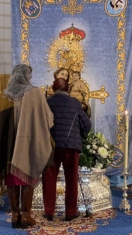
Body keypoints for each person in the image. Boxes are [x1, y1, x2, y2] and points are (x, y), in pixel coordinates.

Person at [0, 64, 54, 229]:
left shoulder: (3, 96)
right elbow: (48, 119)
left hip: (7, 147)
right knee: (27, 175)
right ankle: (25, 214)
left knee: (11, 178)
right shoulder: (35, 93)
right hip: (28, 145)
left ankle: (15, 214)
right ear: (26, 76)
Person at [42, 77, 91, 222]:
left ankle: (49, 212)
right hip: (72, 146)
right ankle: (71, 212)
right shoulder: (75, 103)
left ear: (53, 88)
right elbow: (86, 124)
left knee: (49, 179)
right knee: (71, 179)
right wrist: (79, 135)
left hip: (52, 146)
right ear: (67, 89)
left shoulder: (47, 102)